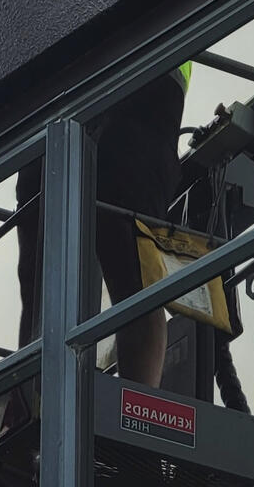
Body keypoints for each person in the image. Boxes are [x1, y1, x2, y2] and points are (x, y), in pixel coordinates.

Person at [14, 66, 190, 386]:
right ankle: (28, 391)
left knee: (129, 255)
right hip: (56, 80)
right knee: (36, 260)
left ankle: (138, 403)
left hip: (149, 64)